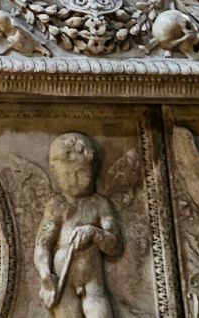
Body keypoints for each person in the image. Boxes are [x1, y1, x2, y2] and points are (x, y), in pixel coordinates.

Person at [35, 132, 122, 317]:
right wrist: (45, 275)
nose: (75, 181)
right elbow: (42, 246)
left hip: (93, 284)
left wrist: (94, 233)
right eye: (67, 175)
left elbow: (115, 246)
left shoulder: (100, 204)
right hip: (63, 281)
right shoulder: (57, 206)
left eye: (82, 174)